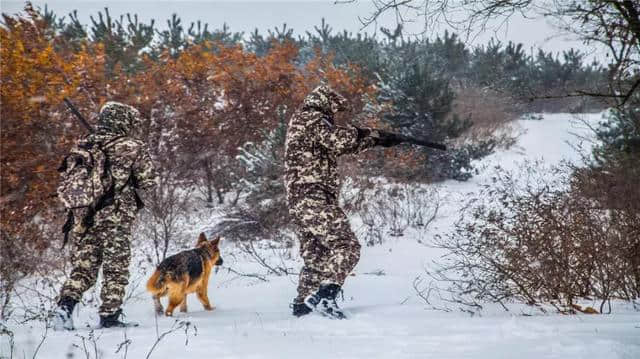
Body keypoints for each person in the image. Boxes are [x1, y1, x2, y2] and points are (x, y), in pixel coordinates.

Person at [284, 85, 404, 319]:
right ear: (326, 103)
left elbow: (340, 143)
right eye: (334, 109)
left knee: (316, 255)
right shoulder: (312, 118)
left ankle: (303, 307)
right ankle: (325, 297)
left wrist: (377, 139)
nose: (334, 114)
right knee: (347, 247)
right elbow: (338, 140)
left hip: (300, 200)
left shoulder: (303, 121)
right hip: (313, 197)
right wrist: (369, 133)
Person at [52, 102, 158, 330]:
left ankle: (64, 309)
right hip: (116, 217)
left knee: (84, 267)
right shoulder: (131, 146)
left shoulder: (86, 144)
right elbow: (148, 181)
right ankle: (109, 316)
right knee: (116, 266)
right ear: (123, 121)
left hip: (86, 216)